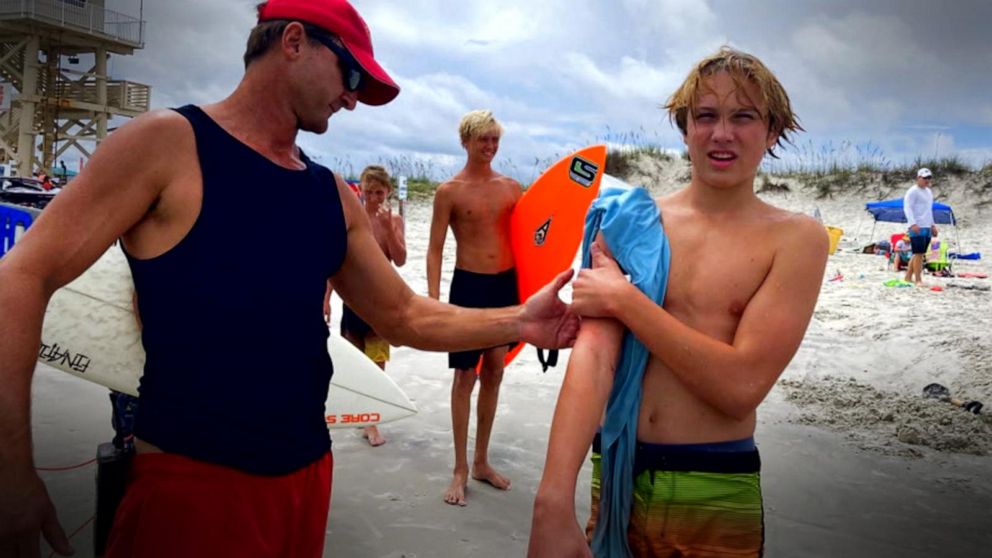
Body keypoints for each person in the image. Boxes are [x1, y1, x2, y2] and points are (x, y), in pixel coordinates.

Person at [0, 1, 579, 557]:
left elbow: (404, 316)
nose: (353, 98)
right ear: (294, 41)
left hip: (306, 478)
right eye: (350, 73)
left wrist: (521, 319)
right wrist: (12, 471)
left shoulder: (329, 194)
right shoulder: (169, 145)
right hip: (190, 485)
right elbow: (22, 277)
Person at [528, 47, 828, 557]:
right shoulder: (631, 219)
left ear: (772, 130)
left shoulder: (796, 240)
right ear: (684, 128)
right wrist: (552, 500)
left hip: (712, 483)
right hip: (615, 467)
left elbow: (739, 387)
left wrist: (626, 301)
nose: (722, 133)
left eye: (743, 117)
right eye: (706, 116)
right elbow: (596, 354)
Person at [427, 109, 522, 506]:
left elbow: (535, 240)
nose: (490, 147)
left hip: (505, 286)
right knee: (464, 376)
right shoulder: (449, 191)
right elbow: (434, 249)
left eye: (495, 140)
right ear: (465, 141)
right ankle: (460, 467)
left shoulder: (513, 188)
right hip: (467, 287)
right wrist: (432, 303)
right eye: (483, 139)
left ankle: (482, 461)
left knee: (496, 371)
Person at [333, 164, 406, 446]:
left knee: (377, 361)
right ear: (360, 191)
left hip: (380, 299)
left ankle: (372, 421)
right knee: (356, 359)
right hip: (351, 297)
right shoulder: (352, 218)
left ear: (387, 192)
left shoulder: (394, 219)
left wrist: (389, 230)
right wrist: (326, 299)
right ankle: (361, 415)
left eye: (379, 192)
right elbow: (335, 261)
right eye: (368, 192)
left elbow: (399, 260)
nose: (374, 198)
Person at [903, 167, 937, 286]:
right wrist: (912, 224)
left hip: (927, 226)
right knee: (918, 253)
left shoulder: (928, 192)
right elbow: (907, 208)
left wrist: (933, 225)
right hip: (916, 226)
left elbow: (929, 210)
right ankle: (918, 279)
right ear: (918, 178)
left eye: (929, 178)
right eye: (924, 178)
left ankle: (908, 276)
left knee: (920, 253)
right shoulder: (913, 191)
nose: (927, 180)